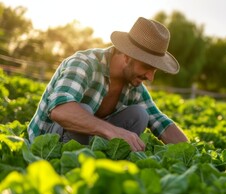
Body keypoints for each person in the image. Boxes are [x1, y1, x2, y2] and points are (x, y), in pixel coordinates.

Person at [27, 17, 188, 151]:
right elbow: (60, 111)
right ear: (126, 56)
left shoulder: (134, 85)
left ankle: (105, 163)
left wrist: (194, 153)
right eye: (147, 67)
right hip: (45, 145)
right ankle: (69, 168)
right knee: (83, 109)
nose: (150, 77)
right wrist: (112, 131)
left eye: (155, 70)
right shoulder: (85, 63)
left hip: (88, 144)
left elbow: (160, 122)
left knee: (140, 115)